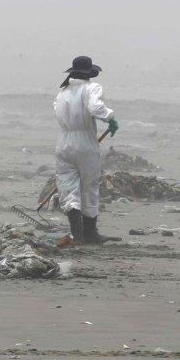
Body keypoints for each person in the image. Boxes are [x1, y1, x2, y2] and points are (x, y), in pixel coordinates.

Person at [54, 55, 119, 244]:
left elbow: (57, 110)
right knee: (89, 187)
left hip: (63, 143)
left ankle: (77, 235)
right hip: (85, 143)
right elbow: (96, 107)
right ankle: (90, 233)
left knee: (67, 187)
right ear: (90, 73)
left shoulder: (63, 91)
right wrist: (110, 119)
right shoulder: (92, 88)